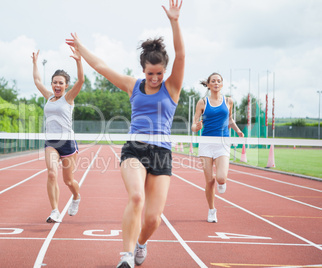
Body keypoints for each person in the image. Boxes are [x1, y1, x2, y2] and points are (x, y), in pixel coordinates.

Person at [66, 1, 184, 267]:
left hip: (162, 154)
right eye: (150, 73)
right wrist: (80, 47)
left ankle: (141, 244)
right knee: (136, 197)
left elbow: (181, 55)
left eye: (159, 73)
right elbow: (102, 67)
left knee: (153, 219)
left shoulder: (172, 87)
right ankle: (127, 256)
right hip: (135, 149)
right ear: (143, 70)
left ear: (165, 71)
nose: (155, 78)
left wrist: (174, 22)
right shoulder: (134, 86)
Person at [31, 48, 84, 223]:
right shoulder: (48, 97)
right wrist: (35, 63)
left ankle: (76, 196)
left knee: (69, 181)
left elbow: (81, 80)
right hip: (51, 142)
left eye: (60, 83)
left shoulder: (68, 98)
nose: (57, 85)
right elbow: (37, 81)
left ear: (66, 85)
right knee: (52, 174)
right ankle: (55, 211)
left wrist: (78, 61)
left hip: (67, 143)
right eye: (55, 82)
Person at [191, 72, 244, 223]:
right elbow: (194, 125)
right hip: (206, 144)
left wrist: (237, 130)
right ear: (208, 85)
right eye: (213, 81)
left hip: (222, 143)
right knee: (209, 181)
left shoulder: (228, 101)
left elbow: (230, 119)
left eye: (218, 81)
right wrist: (197, 126)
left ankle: (222, 182)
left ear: (222, 84)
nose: (215, 83)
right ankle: (212, 210)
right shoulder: (202, 102)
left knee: (221, 178)